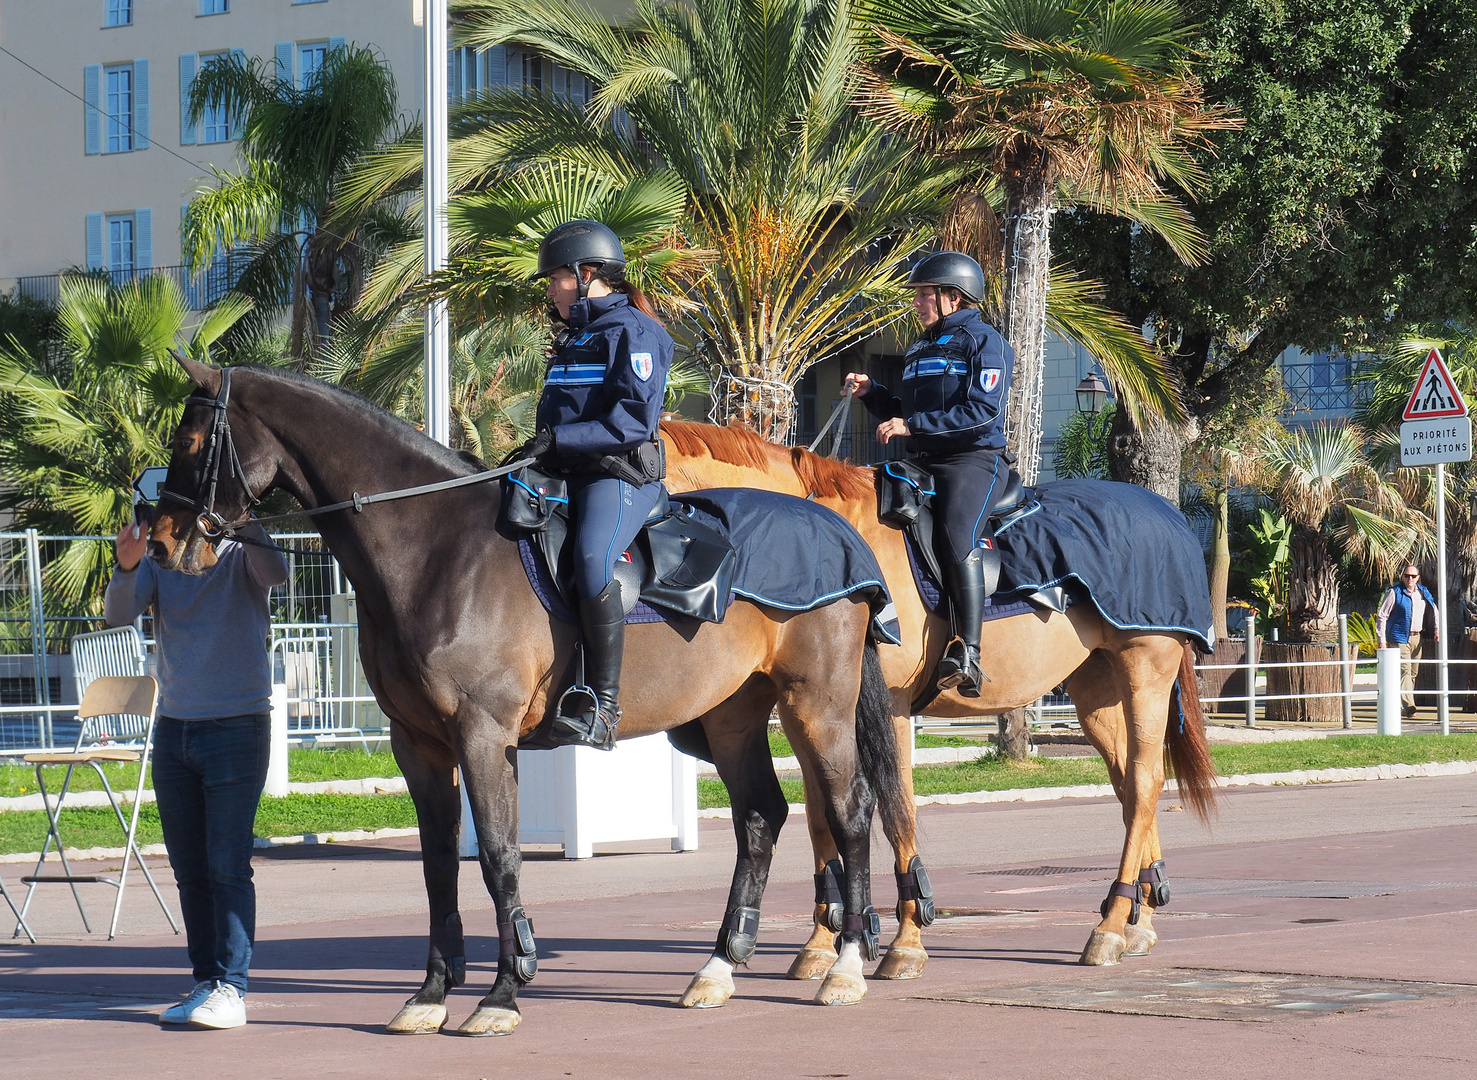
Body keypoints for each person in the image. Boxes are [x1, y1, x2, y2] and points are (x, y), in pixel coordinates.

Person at [104, 502, 288, 1029]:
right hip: (175, 729)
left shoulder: (238, 554)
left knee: (227, 866)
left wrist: (247, 521)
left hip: (237, 726)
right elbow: (119, 614)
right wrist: (129, 564)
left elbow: (277, 572)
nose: (174, 520)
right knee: (190, 871)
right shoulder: (159, 562)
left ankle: (233, 988)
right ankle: (206, 982)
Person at [526, 219, 674, 750]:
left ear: (587, 274)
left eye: (555, 279)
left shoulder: (634, 332)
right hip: (569, 471)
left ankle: (603, 706)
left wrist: (558, 441)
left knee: (592, 559)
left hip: (619, 475)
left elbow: (631, 422)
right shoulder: (577, 336)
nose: (550, 289)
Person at [845, 251, 1014, 696]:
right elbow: (910, 412)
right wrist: (872, 394)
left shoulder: (986, 343)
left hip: (972, 460)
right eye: (918, 295)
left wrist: (912, 426)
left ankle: (969, 652)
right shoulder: (920, 348)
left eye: (924, 294)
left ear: (953, 297)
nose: (917, 302)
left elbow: (982, 413)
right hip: (921, 460)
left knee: (957, 534)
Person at [1375, 563, 1439, 720]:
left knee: (1413, 673)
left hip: (1418, 637)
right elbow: (1382, 616)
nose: (1409, 579)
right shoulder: (1394, 592)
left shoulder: (1423, 592)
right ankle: (1409, 706)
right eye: (1407, 576)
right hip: (1399, 637)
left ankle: (1403, 701)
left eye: (1413, 576)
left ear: (1418, 578)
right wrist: (1381, 640)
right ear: (1402, 577)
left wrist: (1437, 630)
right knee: (1405, 670)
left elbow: (1434, 611)